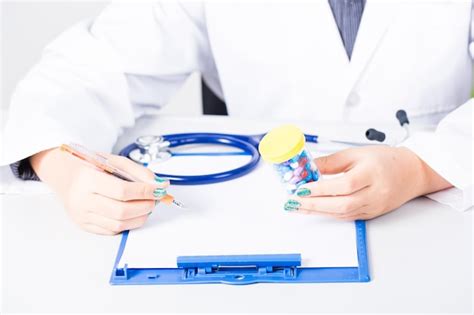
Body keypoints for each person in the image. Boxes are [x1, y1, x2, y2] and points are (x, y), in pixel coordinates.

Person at [2, 1, 473, 235]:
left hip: (438, 220)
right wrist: (59, 162)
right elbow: (86, 70)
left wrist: (423, 167)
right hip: (259, 229)